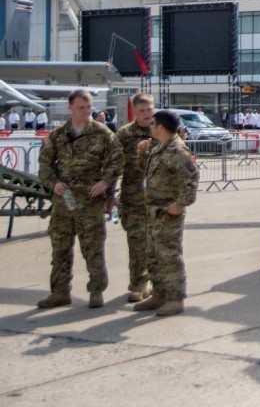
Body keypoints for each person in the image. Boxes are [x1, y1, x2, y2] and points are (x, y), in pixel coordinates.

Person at [36, 89, 123, 309]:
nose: (85, 111)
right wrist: (54, 182)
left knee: (92, 248)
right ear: (70, 108)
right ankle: (60, 292)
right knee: (60, 247)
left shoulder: (103, 133)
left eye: (88, 107)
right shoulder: (58, 135)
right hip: (64, 200)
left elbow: (117, 161)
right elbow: (45, 164)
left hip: (90, 201)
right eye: (81, 107)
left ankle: (96, 291)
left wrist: (105, 181)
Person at [133, 109, 199, 317]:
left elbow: (192, 180)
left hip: (168, 213)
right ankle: (159, 294)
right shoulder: (159, 148)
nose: (149, 127)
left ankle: (175, 298)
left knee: (169, 256)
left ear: (161, 127)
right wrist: (142, 152)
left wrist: (180, 204)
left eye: (152, 124)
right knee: (153, 255)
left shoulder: (177, 151)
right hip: (154, 212)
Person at [115, 93, 156, 303]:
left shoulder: (163, 130)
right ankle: (139, 283)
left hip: (160, 199)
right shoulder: (125, 134)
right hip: (134, 198)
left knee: (160, 243)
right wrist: (108, 195)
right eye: (142, 111)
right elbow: (113, 164)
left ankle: (158, 283)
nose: (147, 114)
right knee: (137, 241)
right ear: (135, 111)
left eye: (149, 109)